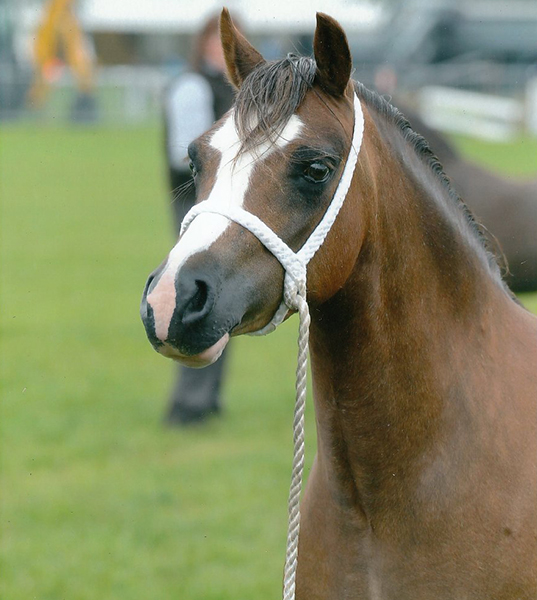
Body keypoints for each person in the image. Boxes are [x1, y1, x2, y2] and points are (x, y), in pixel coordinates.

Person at [162, 15, 235, 425]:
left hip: (219, 206)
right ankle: (189, 403)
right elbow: (184, 154)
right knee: (196, 298)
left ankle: (207, 397)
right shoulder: (193, 86)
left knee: (221, 297)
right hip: (194, 205)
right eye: (217, 42)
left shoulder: (228, 89)